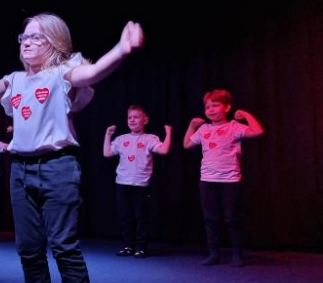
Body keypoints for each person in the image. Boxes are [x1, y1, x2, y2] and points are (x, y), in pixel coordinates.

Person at [0, 12, 144, 283]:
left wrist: (121, 50)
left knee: (64, 245)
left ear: (53, 44)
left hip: (58, 166)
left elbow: (92, 72)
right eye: (24, 37)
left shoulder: (60, 74)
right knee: (28, 247)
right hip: (20, 168)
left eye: (36, 37)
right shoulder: (13, 80)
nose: (27, 42)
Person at [183, 89, 264, 267]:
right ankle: (214, 254)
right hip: (207, 180)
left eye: (215, 105)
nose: (210, 110)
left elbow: (257, 132)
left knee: (231, 218)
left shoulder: (233, 126)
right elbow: (187, 144)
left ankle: (237, 254)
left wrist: (246, 115)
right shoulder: (204, 129)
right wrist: (192, 126)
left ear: (227, 107)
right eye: (207, 107)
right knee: (211, 219)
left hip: (230, 181)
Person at [103, 105, 172, 258]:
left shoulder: (150, 138)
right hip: (122, 183)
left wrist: (168, 133)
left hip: (141, 184)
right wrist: (107, 135)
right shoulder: (121, 139)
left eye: (136, 117)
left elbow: (164, 150)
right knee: (125, 215)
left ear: (145, 120)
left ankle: (141, 247)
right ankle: (128, 245)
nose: (132, 120)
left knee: (141, 216)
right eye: (130, 117)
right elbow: (107, 153)